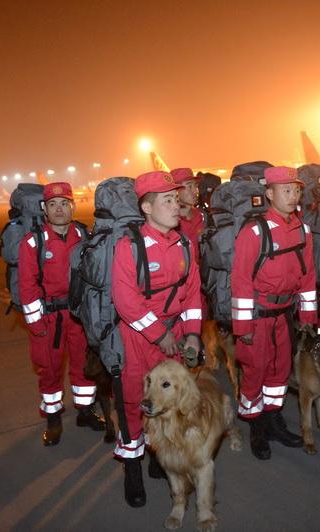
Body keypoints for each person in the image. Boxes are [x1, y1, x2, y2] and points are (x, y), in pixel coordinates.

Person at [111, 171, 202, 507]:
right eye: (167, 200)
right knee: (135, 403)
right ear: (147, 207)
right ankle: (132, 467)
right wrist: (158, 333)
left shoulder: (185, 245)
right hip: (138, 339)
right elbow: (126, 302)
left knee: (168, 404)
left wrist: (192, 335)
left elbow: (193, 294)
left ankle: (158, 458)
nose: (176, 205)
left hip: (175, 336)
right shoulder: (129, 247)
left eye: (176, 199)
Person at [231, 166, 317, 460]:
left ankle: (273, 417)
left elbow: (308, 277)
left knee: (280, 371)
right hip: (257, 316)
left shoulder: (303, 230)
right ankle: (256, 426)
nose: (294, 196)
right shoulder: (254, 231)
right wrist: (243, 329)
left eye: (297, 191)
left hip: (285, 316)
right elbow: (241, 281)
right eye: (287, 190)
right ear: (269, 194)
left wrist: (308, 318)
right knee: (255, 371)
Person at [18, 182, 105, 447]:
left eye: (64, 203)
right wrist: (36, 324)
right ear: (44, 209)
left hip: (79, 314)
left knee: (84, 364)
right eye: (53, 204)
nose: (59, 209)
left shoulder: (84, 234)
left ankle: (85, 410)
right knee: (50, 369)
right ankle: (53, 417)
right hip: (49, 317)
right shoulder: (33, 241)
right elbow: (27, 285)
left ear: (73, 206)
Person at [171, 167, 205, 251]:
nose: (196, 191)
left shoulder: (202, 216)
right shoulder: (168, 222)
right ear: (175, 190)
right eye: (189, 186)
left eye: (196, 186)